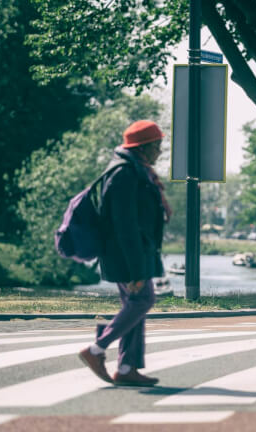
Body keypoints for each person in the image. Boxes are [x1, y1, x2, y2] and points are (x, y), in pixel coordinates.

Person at [78, 120, 172, 386]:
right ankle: (96, 349)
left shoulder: (136, 170)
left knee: (135, 307)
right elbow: (125, 226)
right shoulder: (124, 174)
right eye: (158, 145)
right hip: (127, 255)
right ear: (144, 147)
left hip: (136, 252)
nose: (160, 151)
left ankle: (127, 367)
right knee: (142, 301)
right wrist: (136, 270)